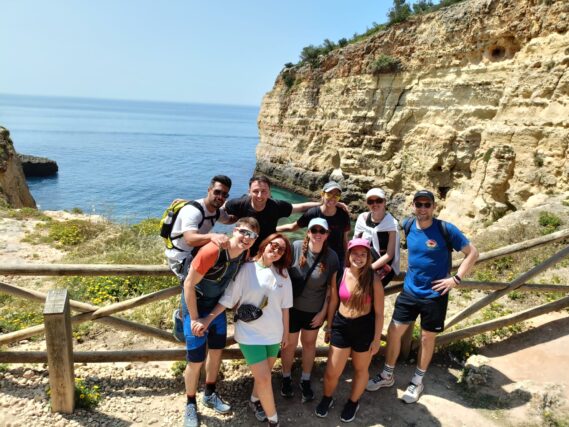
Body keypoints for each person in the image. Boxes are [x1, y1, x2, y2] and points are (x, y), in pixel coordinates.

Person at [367, 190, 479, 403]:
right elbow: (383, 221)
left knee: (427, 338)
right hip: (409, 291)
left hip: (435, 295)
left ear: (433, 207)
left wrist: (456, 279)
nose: (423, 208)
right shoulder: (408, 225)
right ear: (413, 206)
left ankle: (417, 381)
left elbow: (472, 253)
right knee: (393, 332)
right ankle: (387, 375)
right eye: (419, 204)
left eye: (427, 204)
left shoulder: (446, 229)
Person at [207, 233, 293, 427]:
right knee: (263, 377)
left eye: (281, 249)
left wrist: (286, 334)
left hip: (273, 333)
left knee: (265, 376)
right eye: (273, 245)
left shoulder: (283, 275)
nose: (276, 250)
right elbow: (229, 298)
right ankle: (274, 421)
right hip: (249, 334)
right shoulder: (246, 269)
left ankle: (255, 401)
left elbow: (285, 307)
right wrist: (207, 319)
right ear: (264, 245)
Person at [181, 217, 260, 427]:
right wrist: (195, 318)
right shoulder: (212, 251)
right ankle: (190, 403)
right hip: (195, 306)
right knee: (196, 360)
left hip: (216, 309)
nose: (247, 238)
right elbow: (188, 285)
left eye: (252, 235)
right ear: (235, 230)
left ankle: (209, 393)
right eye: (244, 232)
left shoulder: (245, 254)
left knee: (216, 352)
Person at [315, 238, 384, 423]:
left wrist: (377, 339)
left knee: (361, 369)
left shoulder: (374, 280)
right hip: (341, 326)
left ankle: (353, 402)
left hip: (364, 329)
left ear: (368, 257)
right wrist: (329, 327)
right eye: (355, 253)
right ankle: (327, 398)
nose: (358, 257)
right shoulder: (339, 275)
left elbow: (379, 314)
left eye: (363, 254)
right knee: (331, 371)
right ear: (348, 254)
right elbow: (333, 303)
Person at [165, 175, 232, 342]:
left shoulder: (216, 211)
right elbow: (189, 238)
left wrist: (252, 205)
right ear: (209, 190)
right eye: (217, 192)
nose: (220, 197)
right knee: (192, 285)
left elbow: (230, 219)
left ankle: (204, 321)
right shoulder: (193, 211)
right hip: (180, 257)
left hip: (194, 253)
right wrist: (213, 236)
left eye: (225, 194)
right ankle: (184, 324)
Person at [280, 218, 340, 403]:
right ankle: (286, 377)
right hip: (291, 309)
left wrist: (323, 314)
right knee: (289, 345)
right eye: (314, 229)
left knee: (309, 344)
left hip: (314, 311)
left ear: (327, 234)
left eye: (322, 231)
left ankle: (305, 379)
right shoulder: (296, 247)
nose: (318, 234)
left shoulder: (331, 257)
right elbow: (280, 271)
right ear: (308, 232)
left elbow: (331, 291)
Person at [223, 175, 322, 256]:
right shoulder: (239, 204)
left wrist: (325, 204)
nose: (259, 195)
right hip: (245, 249)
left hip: (267, 250)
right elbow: (222, 208)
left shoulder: (276, 206)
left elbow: (301, 207)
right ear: (249, 191)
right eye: (255, 191)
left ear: (270, 192)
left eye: (264, 191)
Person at [277, 181, 350, 268]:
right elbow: (293, 227)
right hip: (315, 256)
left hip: (337, 258)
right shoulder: (313, 213)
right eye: (329, 194)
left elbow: (345, 240)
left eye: (336, 195)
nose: (333, 198)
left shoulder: (343, 214)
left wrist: (347, 259)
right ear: (322, 194)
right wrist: (273, 228)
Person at [354, 188, 400, 287]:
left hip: (383, 267)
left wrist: (370, 268)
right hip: (363, 262)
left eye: (378, 200)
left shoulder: (391, 223)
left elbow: (390, 254)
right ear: (367, 203)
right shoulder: (362, 219)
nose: (375, 204)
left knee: (368, 293)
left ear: (385, 202)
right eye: (371, 201)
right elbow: (355, 244)